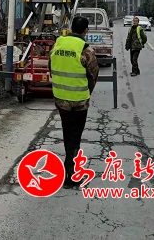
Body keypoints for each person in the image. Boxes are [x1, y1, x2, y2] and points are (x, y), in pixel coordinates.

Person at [49, 16, 99, 188]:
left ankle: (69, 165)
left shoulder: (58, 43)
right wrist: (87, 92)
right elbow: (93, 75)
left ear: (71, 28)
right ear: (86, 30)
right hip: (78, 101)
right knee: (76, 135)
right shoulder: (85, 49)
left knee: (67, 131)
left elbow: (51, 66)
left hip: (61, 98)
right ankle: (70, 173)